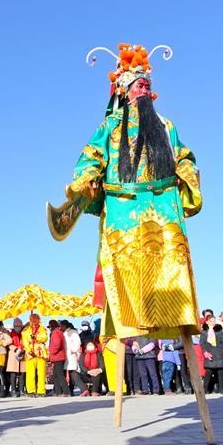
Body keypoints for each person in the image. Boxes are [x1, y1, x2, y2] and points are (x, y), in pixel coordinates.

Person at [53, 43, 203, 343]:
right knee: (127, 273)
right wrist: (87, 180)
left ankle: (176, 323)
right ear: (125, 91)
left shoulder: (165, 125)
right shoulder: (110, 125)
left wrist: (187, 175)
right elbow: (92, 156)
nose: (144, 90)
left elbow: (184, 156)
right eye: (138, 85)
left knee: (169, 270)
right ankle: (128, 327)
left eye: (147, 85)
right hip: (123, 209)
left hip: (163, 209)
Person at [21, 314, 48, 398]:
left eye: (36, 319)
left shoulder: (42, 329)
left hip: (41, 353)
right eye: (32, 319)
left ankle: (41, 391)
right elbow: (25, 342)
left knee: (41, 373)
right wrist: (29, 351)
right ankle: (31, 390)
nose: (34, 320)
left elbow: (45, 338)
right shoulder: (26, 330)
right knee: (30, 373)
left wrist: (36, 337)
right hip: (30, 354)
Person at [201, 316, 223, 394]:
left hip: (219, 352)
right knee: (208, 371)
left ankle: (221, 389)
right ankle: (205, 390)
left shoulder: (219, 330)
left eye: (214, 321)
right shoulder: (204, 332)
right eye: (211, 321)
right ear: (207, 322)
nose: (213, 323)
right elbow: (202, 342)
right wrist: (205, 352)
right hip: (209, 353)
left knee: (221, 371)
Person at [5, 318, 26, 397]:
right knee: (13, 373)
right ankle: (13, 390)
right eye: (16, 326)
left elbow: (26, 342)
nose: (18, 327)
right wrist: (16, 349)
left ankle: (21, 390)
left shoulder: (24, 333)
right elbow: (9, 344)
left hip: (22, 354)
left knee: (22, 373)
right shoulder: (10, 334)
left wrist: (23, 350)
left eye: (19, 326)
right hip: (13, 354)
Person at [47, 320, 68, 397]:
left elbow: (57, 344)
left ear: (52, 326)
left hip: (58, 356)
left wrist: (51, 353)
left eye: (49, 327)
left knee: (60, 375)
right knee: (55, 375)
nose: (49, 328)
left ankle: (66, 391)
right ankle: (57, 392)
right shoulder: (58, 332)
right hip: (58, 357)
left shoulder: (55, 332)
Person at [63, 321, 81, 396]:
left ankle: (83, 388)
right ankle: (70, 390)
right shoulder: (65, 333)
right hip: (67, 355)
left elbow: (78, 342)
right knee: (69, 372)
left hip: (71, 354)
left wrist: (73, 350)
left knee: (72, 372)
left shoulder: (73, 332)